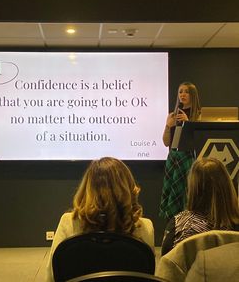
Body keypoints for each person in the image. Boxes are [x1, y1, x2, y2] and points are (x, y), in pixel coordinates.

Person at [45, 157, 154, 282]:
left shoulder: (68, 222)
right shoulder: (145, 227)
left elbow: (52, 277)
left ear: (87, 188)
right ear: (128, 188)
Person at [161, 157, 239, 255]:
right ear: (228, 186)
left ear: (193, 188)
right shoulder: (235, 227)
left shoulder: (178, 227)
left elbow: (166, 265)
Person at [159, 82, 201, 220]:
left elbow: (198, 142)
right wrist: (167, 125)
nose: (182, 94)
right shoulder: (173, 115)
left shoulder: (198, 115)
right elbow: (166, 142)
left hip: (188, 159)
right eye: (180, 91)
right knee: (172, 198)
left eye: (186, 92)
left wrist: (188, 122)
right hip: (173, 159)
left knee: (186, 196)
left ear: (192, 95)